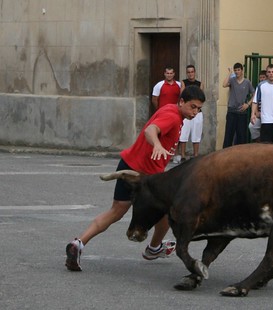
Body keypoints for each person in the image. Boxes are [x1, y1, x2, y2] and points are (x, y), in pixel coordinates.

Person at [65, 85, 206, 272]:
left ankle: (78, 243)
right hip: (148, 178)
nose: (195, 112)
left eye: (199, 109)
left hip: (127, 166)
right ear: (181, 102)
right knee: (166, 213)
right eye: (192, 107)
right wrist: (156, 144)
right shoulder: (172, 117)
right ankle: (154, 249)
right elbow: (151, 131)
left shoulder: (170, 110)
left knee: (115, 212)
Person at [222, 63, 255, 148]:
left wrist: (248, 104)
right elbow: (224, 84)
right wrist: (229, 73)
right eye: (235, 70)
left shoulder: (247, 82)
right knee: (229, 134)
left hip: (242, 112)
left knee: (241, 135)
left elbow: (255, 94)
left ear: (242, 70)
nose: (237, 72)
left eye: (238, 70)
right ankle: (225, 154)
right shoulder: (232, 80)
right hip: (231, 111)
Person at [179, 65, 205, 161]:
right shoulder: (183, 82)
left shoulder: (200, 83)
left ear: (195, 72)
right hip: (186, 112)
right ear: (187, 73)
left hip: (198, 113)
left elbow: (200, 97)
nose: (190, 74)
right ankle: (182, 155)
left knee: (196, 133)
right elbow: (183, 95)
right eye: (188, 72)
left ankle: (196, 155)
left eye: (192, 72)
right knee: (183, 133)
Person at [248, 70, 267, 142]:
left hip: (268, 115)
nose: (262, 79)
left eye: (263, 77)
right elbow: (255, 101)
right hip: (259, 114)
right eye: (260, 77)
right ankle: (258, 144)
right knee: (252, 126)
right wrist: (256, 112)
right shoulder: (258, 88)